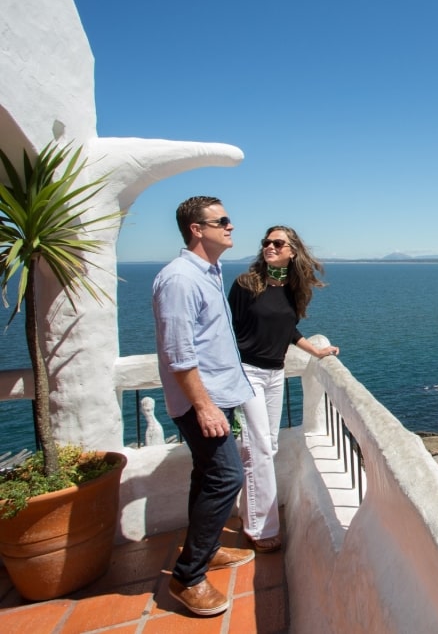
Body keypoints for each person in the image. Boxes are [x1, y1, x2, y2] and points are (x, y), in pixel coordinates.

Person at [152, 196, 255, 617]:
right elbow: (180, 353)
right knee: (226, 478)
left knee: (208, 475)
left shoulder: (209, 273)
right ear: (197, 228)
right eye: (223, 221)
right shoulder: (179, 279)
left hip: (216, 397)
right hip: (202, 403)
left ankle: (207, 550)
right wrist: (205, 407)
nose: (231, 226)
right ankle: (187, 577)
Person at [228, 225, 338, 553]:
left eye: (278, 243)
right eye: (267, 242)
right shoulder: (246, 284)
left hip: (275, 374)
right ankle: (261, 529)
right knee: (258, 448)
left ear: (292, 252)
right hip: (247, 373)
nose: (270, 247)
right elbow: (226, 328)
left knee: (267, 446)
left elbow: (289, 328)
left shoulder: (289, 288)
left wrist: (315, 351)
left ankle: (252, 514)